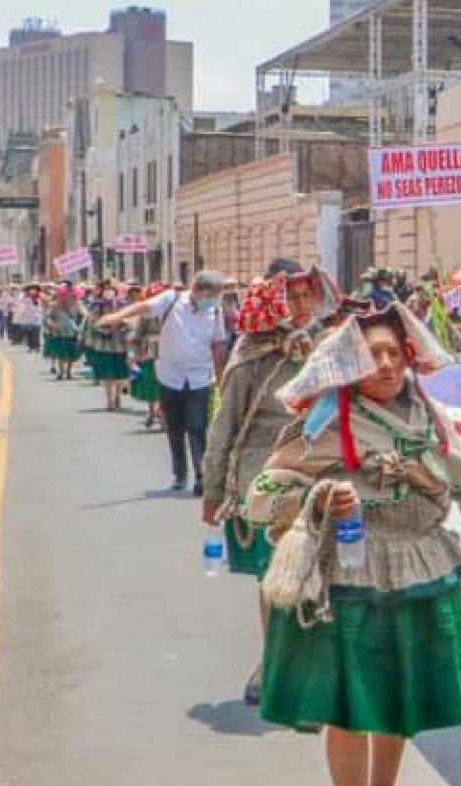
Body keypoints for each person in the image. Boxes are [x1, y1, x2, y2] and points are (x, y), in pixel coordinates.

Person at [248, 302, 461, 785]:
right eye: (374, 356)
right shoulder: (325, 425)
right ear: (351, 366)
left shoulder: (427, 416)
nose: (388, 364)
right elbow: (263, 496)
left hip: (419, 569)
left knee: (398, 700)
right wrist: (321, 496)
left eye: (395, 352)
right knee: (350, 707)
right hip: (351, 578)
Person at [202, 260, 335, 706]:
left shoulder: (334, 346)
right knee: (274, 580)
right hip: (266, 484)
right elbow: (225, 425)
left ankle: (316, 669)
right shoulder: (253, 352)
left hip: (327, 476)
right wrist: (214, 489)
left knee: (322, 577)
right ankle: (274, 661)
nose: (300, 306)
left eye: (306, 296)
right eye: (290, 297)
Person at [100, 269, 231, 492]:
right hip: (170, 376)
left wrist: (221, 380)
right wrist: (117, 316)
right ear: (197, 290)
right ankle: (179, 474)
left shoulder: (216, 312)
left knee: (198, 427)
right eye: (210, 296)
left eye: (215, 297)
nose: (212, 302)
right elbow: (144, 307)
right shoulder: (172, 300)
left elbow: (218, 346)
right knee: (175, 427)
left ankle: (201, 475)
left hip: (199, 377)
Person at [80, 280, 132, 411]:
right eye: (106, 290)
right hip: (104, 345)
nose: (109, 292)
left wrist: (121, 328)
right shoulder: (97, 306)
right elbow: (93, 323)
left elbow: (130, 322)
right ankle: (109, 400)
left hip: (121, 345)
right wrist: (106, 330)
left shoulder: (123, 305)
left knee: (121, 373)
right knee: (107, 375)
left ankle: (118, 396)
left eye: (111, 290)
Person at [128, 282, 166, 430]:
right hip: (149, 352)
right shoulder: (145, 315)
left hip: (167, 352)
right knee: (151, 384)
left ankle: (163, 415)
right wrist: (135, 354)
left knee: (165, 384)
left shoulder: (172, 313)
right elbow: (136, 336)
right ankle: (151, 412)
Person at [43, 284, 85, 380]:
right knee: (61, 354)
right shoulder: (54, 305)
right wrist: (52, 324)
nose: (69, 296)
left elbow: (84, 316)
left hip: (73, 333)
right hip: (59, 332)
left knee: (72, 354)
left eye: (71, 294)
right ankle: (61, 372)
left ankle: (69, 372)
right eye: (66, 294)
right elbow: (47, 317)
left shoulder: (78, 304)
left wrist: (80, 326)